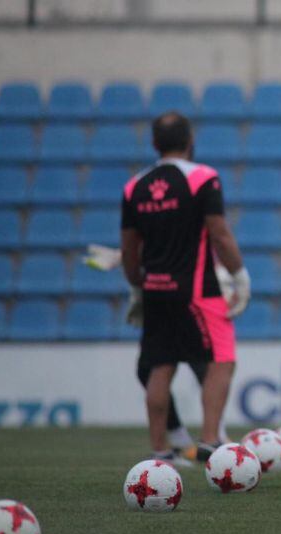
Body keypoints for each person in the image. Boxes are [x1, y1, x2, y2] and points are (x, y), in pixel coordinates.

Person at [120, 111, 250, 463]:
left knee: (160, 366)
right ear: (190, 141)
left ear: (153, 144)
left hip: (155, 289)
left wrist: (137, 288)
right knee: (221, 360)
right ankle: (210, 441)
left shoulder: (135, 186)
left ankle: (160, 450)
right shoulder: (202, 178)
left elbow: (130, 249)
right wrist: (239, 276)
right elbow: (219, 234)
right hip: (197, 289)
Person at [83, 244, 233, 463]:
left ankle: (211, 438)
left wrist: (126, 258)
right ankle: (185, 440)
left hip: (184, 291)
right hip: (168, 292)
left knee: (193, 366)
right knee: (152, 368)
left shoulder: (181, 216)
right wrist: (124, 256)